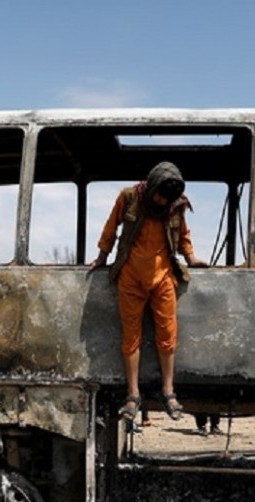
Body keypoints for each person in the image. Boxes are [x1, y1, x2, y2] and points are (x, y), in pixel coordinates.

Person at [89, 162, 207, 423]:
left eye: (167, 199)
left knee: (168, 335)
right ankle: (133, 395)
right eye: (160, 196)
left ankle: (168, 392)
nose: (162, 202)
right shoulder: (129, 197)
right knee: (131, 337)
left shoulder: (176, 204)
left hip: (163, 278)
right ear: (152, 187)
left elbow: (183, 234)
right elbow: (111, 227)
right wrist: (101, 257)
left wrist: (190, 257)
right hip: (130, 278)